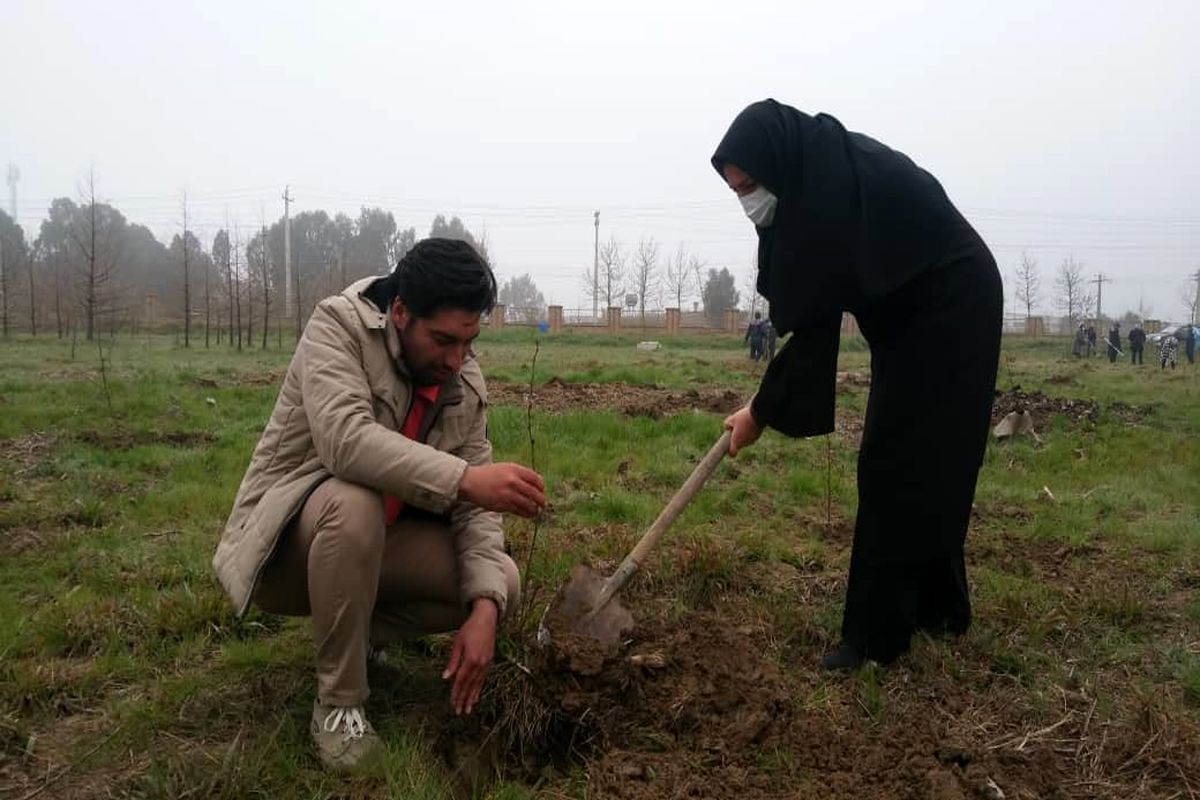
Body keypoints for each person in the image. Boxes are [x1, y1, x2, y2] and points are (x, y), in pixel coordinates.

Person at [213, 238, 546, 771]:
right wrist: (465, 479)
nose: (457, 359)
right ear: (400, 311)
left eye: (469, 342)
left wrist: (484, 611)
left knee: (498, 582)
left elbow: (475, 513)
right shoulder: (337, 328)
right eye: (443, 340)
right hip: (288, 550)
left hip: (379, 550)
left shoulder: (461, 379)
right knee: (354, 503)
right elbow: (345, 441)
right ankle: (339, 705)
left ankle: (354, 640)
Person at [712, 100, 1002, 671]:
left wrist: (757, 414)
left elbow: (814, 330)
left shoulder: (824, 194)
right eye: (735, 191)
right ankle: (941, 608)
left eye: (750, 186)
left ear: (776, 163)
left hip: (953, 304)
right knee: (925, 461)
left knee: (895, 461)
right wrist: (762, 405)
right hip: (912, 315)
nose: (748, 202)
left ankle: (875, 639)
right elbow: (807, 303)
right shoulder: (808, 175)